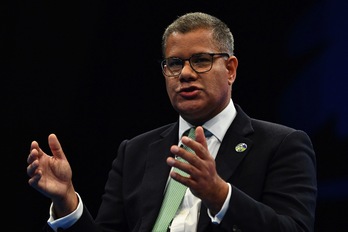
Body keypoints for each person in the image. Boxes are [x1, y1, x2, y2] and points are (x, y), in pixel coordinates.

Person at [26, 12, 317, 232]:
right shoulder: (135, 151)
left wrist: (219, 194)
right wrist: (67, 202)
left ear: (230, 69)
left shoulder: (281, 145)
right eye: (175, 63)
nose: (186, 74)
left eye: (201, 60)